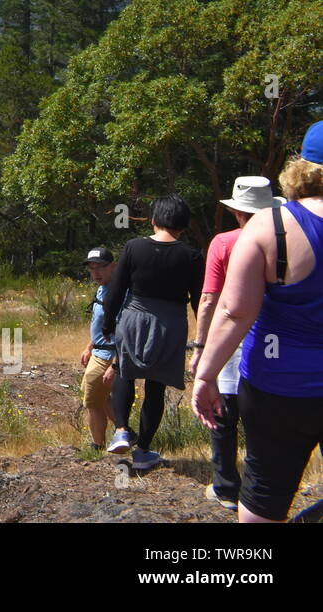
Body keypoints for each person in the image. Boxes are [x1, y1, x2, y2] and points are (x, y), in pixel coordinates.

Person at [194, 121, 323, 522]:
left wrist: (206, 374)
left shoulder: (271, 226)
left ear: (301, 167)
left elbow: (234, 311)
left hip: (278, 388)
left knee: (264, 494)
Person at [190, 176, 284, 510]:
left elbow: (209, 298)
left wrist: (200, 346)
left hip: (230, 334)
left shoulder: (224, 242)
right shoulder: (284, 240)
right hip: (272, 337)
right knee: (264, 417)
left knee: (222, 413)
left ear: (237, 212)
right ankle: (266, 492)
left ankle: (227, 487)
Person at [102, 194, 204, 470]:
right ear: (183, 224)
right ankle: (144, 449)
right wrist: (204, 339)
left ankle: (122, 429)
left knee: (125, 371)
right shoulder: (192, 256)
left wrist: (108, 324)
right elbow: (199, 300)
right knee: (155, 387)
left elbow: (116, 290)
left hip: (134, 318)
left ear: (154, 220)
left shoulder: (134, 247)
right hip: (169, 324)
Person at [79, 246, 118, 449]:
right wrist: (89, 346)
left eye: (101, 267)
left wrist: (115, 364)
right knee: (98, 397)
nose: (96, 272)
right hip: (98, 350)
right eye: (92, 268)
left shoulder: (118, 292)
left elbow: (124, 332)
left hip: (108, 355)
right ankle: (124, 432)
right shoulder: (102, 288)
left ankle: (98, 446)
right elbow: (102, 324)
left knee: (92, 402)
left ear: (113, 266)